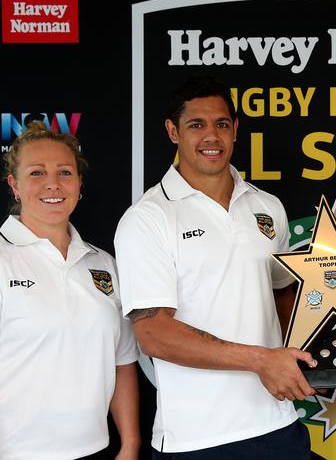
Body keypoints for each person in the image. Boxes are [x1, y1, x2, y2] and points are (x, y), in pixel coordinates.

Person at [114, 75, 316, 458]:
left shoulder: (266, 206)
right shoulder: (148, 217)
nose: (212, 137)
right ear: (173, 132)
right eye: (196, 125)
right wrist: (260, 360)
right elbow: (154, 333)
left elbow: (281, 294)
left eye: (222, 124)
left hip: (279, 423)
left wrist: (308, 356)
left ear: (235, 130)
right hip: (198, 439)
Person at [0, 121, 140, 459]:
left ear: (79, 185)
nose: (53, 184)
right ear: (14, 185)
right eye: (36, 173)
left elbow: (122, 361)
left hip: (96, 449)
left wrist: (131, 444)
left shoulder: (103, 264)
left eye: (65, 172)